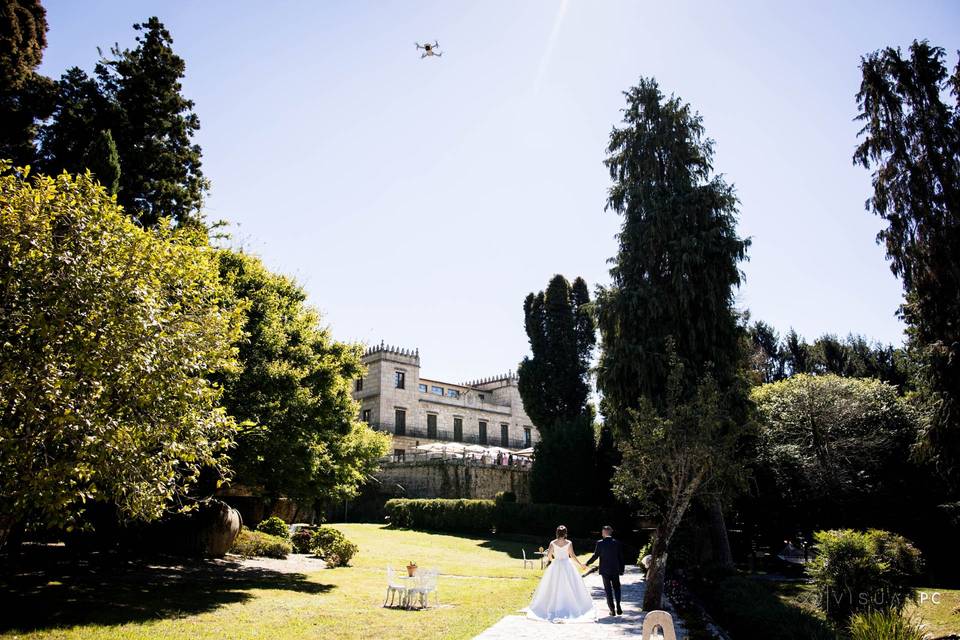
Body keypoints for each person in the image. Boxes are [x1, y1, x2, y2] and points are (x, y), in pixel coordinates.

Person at [526, 525, 596, 623]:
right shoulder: (569, 543)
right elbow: (572, 555)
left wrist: (553, 561)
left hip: (556, 565)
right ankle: (569, 604)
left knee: (553, 585)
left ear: (557, 533)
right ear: (565, 533)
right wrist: (580, 564)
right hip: (567, 565)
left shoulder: (553, 543)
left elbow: (549, 555)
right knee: (570, 585)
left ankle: (553, 605)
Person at [584, 525, 625, 616]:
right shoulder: (616, 543)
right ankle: (618, 605)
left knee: (608, 590)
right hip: (615, 570)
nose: (602, 533)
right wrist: (621, 569)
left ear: (605, 532)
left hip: (605, 570)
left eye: (602, 532)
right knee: (617, 588)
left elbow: (595, 556)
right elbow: (621, 558)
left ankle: (612, 610)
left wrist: (587, 563)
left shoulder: (600, 543)